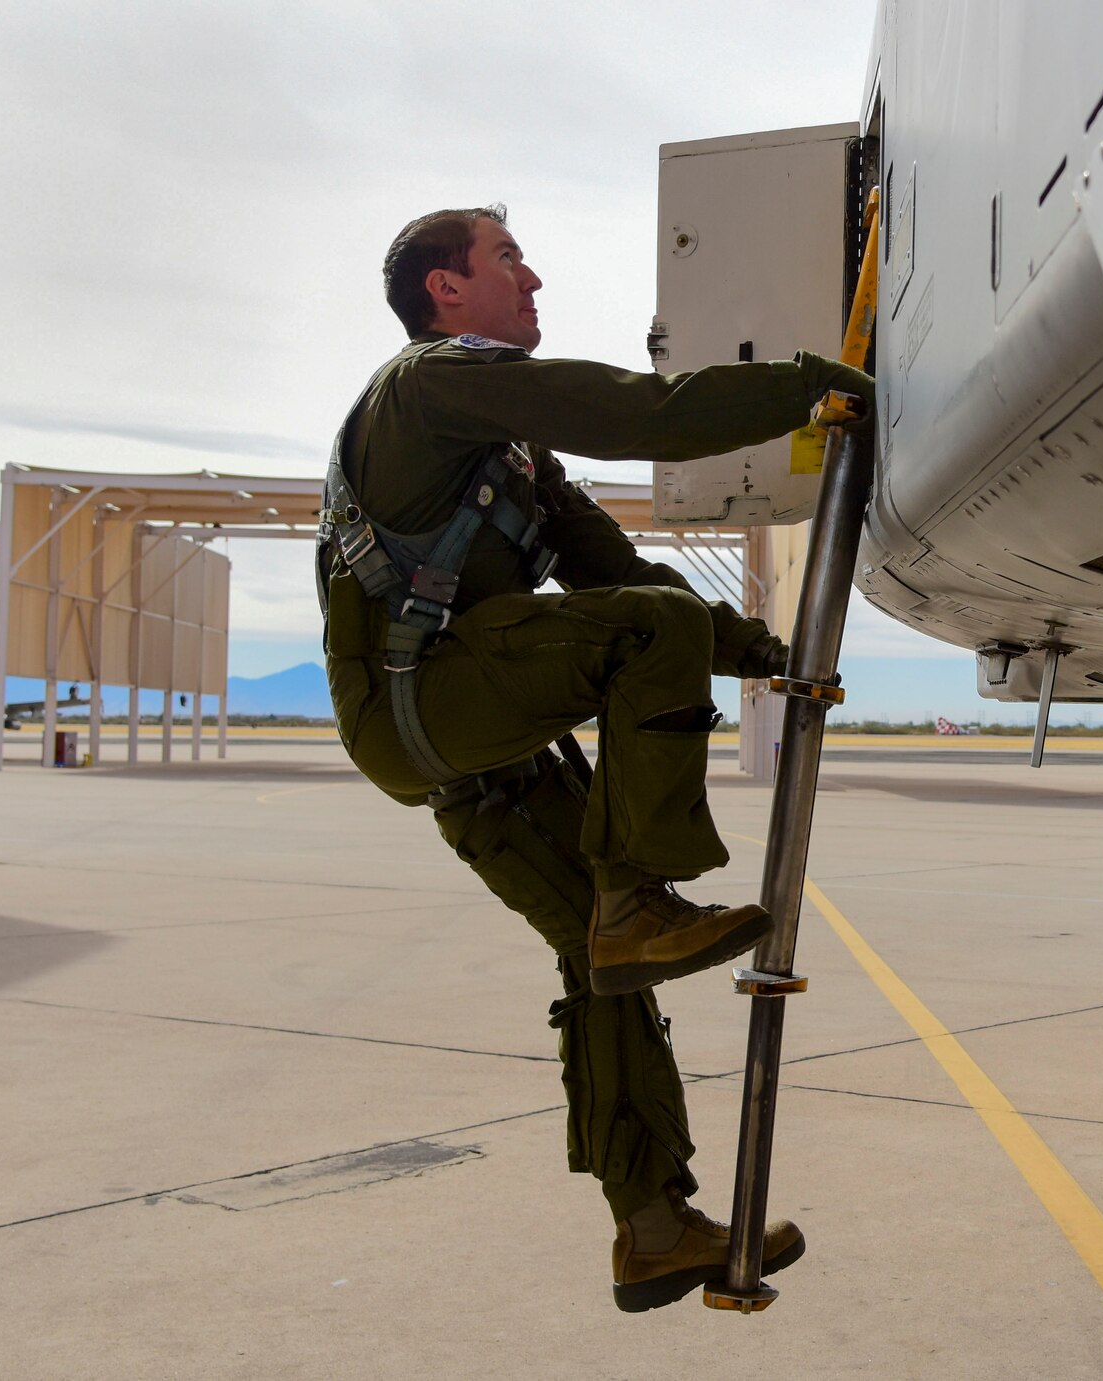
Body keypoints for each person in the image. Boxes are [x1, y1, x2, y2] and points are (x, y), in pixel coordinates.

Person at [317, 204, 869, 1311]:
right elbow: (644, 414)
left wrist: (764, 654)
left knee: (604, 967)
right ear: (446, 291)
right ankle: (637, 895)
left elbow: (616, 573)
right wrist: (813, 383)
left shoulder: (516, 455)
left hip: (478, 751)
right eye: (506, 259)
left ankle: (653, 1225)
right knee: (639, 641)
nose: (533, 279)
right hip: (420, 704)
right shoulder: (430, 382)